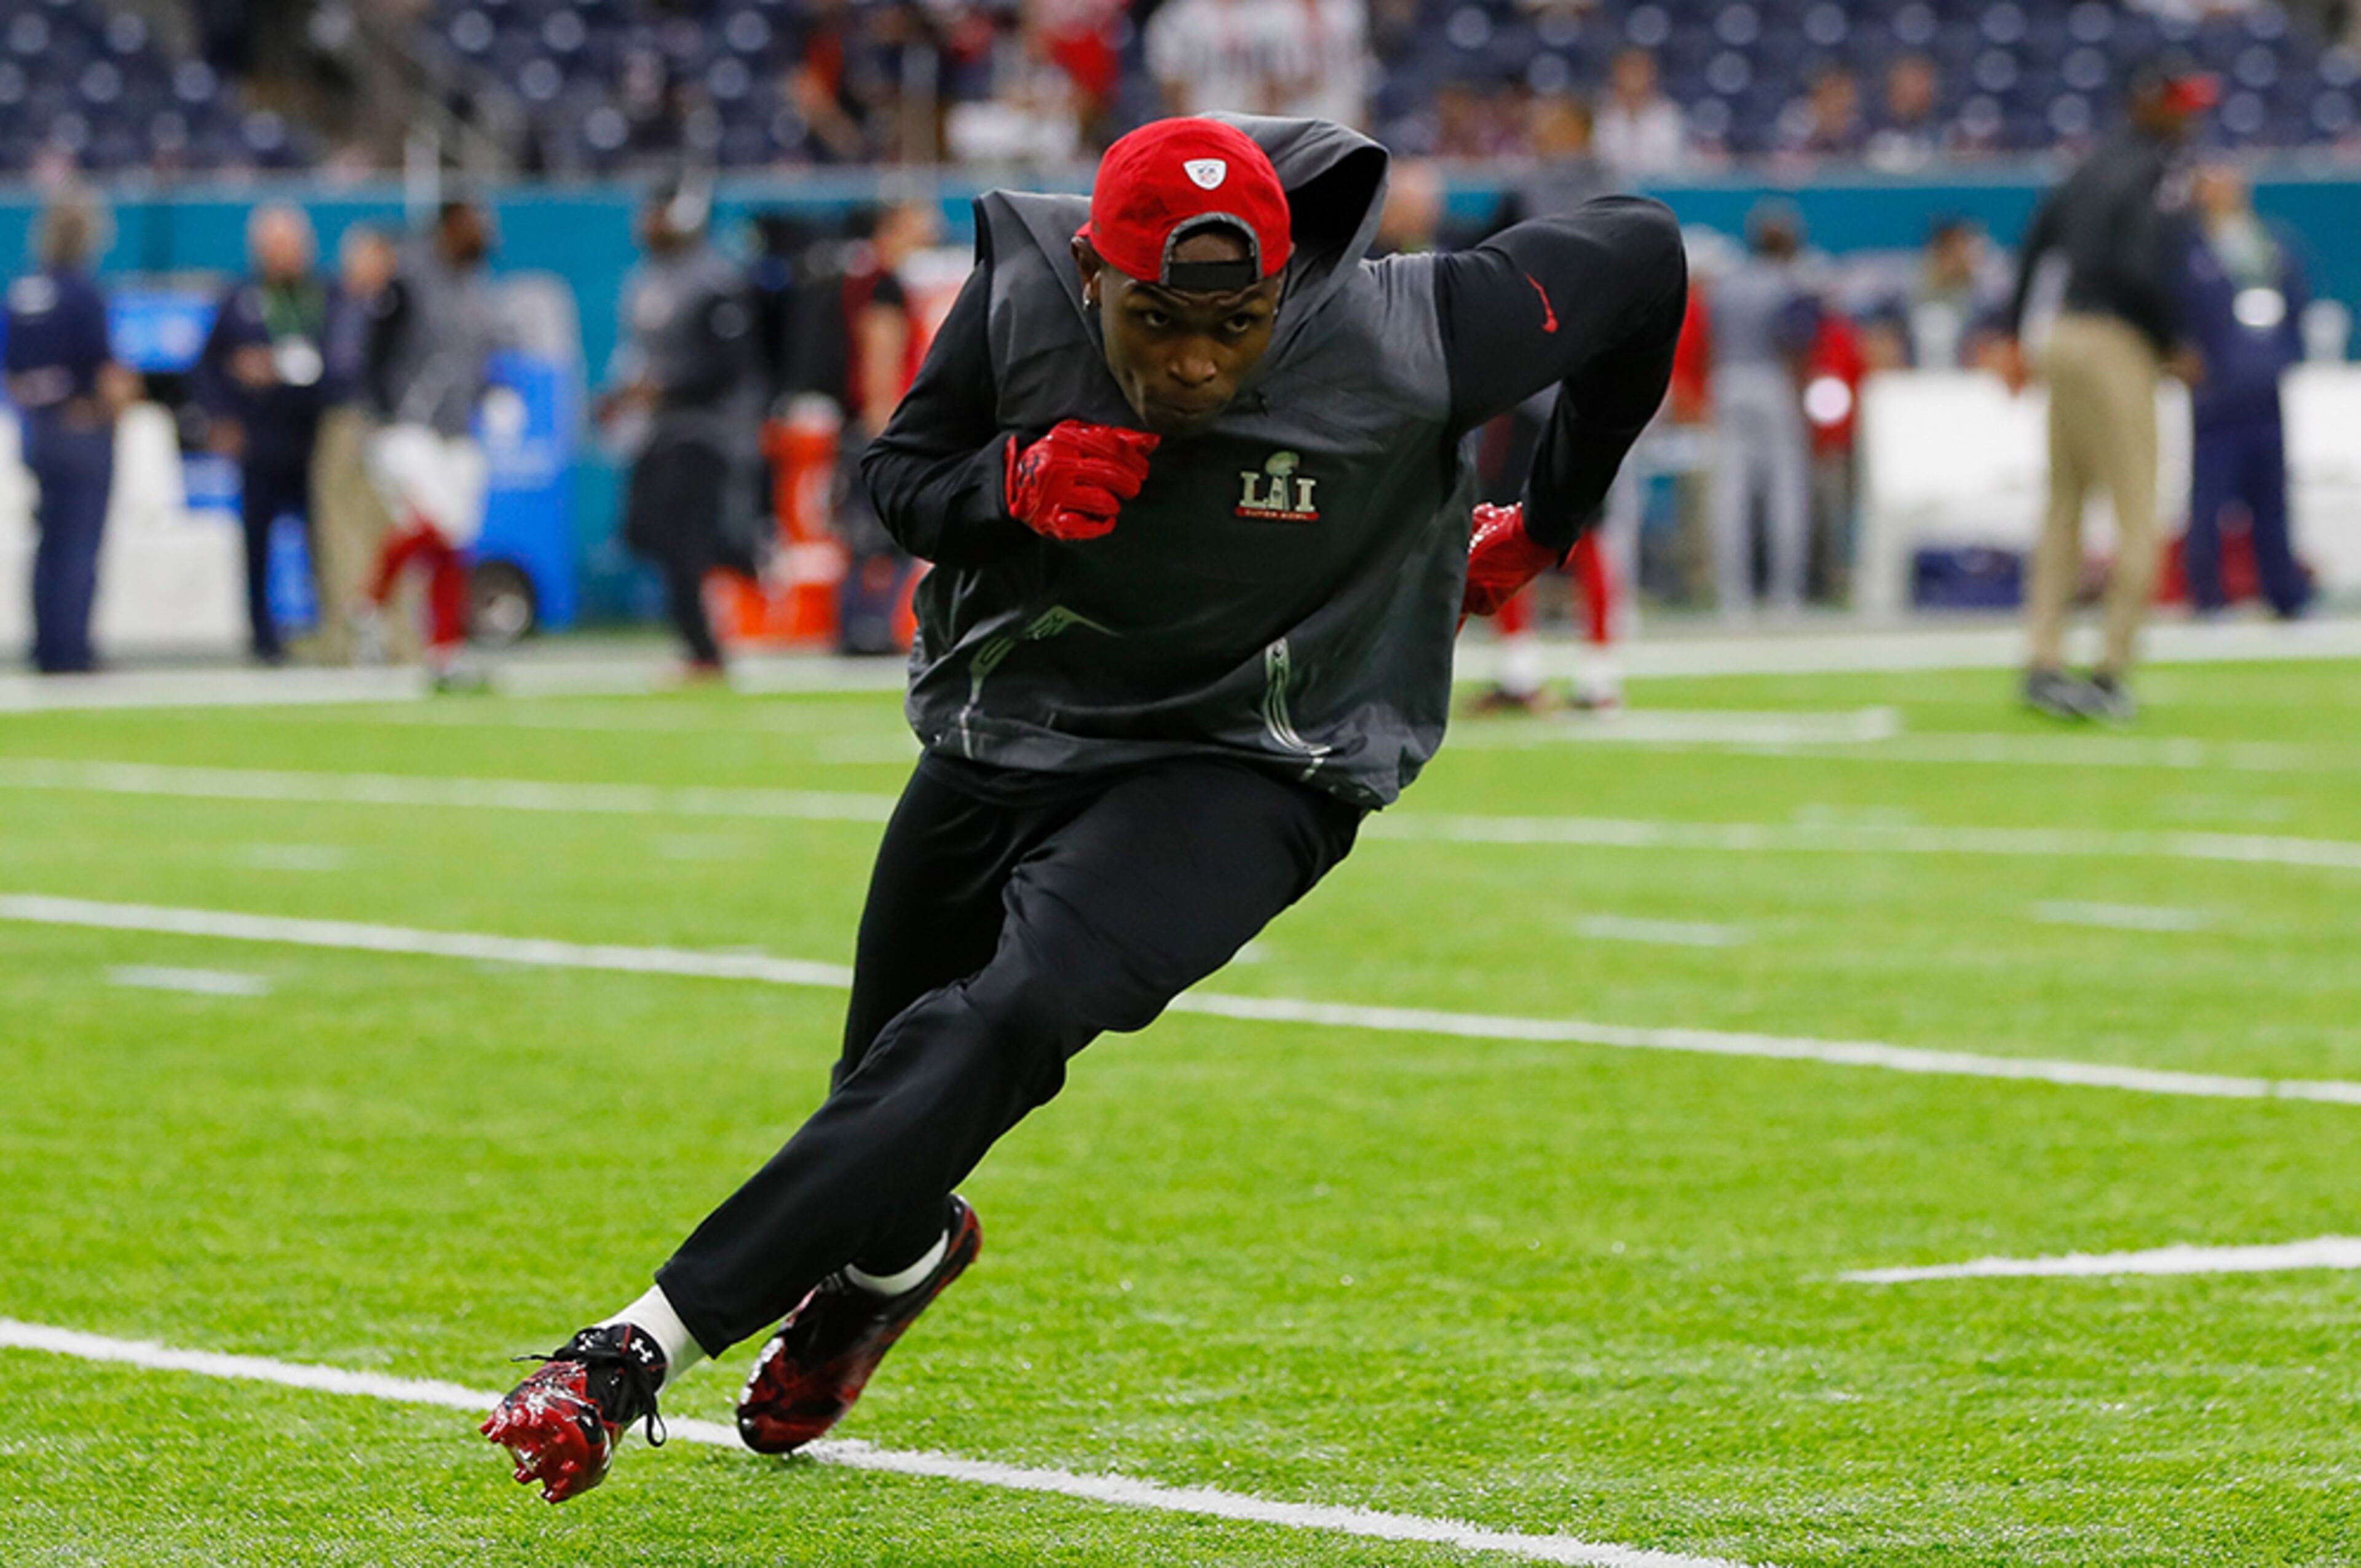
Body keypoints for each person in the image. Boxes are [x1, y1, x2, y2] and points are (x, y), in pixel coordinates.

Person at [481, 113, 1685, 1503]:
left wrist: (1546, 517)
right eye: (1157, 321)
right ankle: (896, 1261)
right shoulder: (1019, 301)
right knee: (885, 1108)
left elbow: (1642, 255)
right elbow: (899, 484)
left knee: (1009, 1014)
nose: (1193, 360)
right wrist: (1011, 484)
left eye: (1234, 325)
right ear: (1091, 279)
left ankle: (627, 1354)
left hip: (1256, 754)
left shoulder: (1419, 329)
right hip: (1018, 728)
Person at [1999, 57, 2215, 723]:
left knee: (2063, 505)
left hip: (2061, 333)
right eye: (2182, 105)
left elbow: (2037, 241)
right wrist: (2171, 338)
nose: (2192, 117)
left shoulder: (2089, 164)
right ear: (2155, 106)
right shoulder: (2162, 170)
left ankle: (2042, 657)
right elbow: (2138, 264)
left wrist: (2013, 332)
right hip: (2118, 343)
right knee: (2136, 510)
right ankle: (2111, 669)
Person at [599, 180, 760, 676]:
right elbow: (643, 359)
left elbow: (729, 367)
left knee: (681, 539)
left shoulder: (714, 281)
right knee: (641, 530)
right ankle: (739, 554)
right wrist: (623, 397)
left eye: (657, 212)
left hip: (707, 428)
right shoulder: (648, 279)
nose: (647, 222)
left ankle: (703, 650)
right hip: (659, 429)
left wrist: (663, 390)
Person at [358, 199, 504, 686]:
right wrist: (381, 412)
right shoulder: (410, 278)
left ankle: (444, 651)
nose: (483, 233)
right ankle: (370, 602)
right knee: (439, 525)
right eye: (474, 223)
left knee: (455, 541)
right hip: (410, 424)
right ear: (449, 226)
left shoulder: (477, 288)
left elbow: (479, 355)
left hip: (458, 427)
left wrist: (496, 391)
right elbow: (375, 346)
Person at [195, 205, 337, 665]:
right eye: (274, 248)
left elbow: (346, 360)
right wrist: (222, 417)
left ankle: (331, 629)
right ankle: (262, 636)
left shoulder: (326, 295)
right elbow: (206, 367)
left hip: (315, 437)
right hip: (259, 438)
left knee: (328, 538)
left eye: (290, 247)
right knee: (258, 542)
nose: (284, 257)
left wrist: (279, 366)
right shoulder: (239, 297)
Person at [4, 189, 134, 675]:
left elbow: (14, 373)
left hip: (38, 431)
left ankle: (45, 646)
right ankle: (73, 649)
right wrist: (118, 406)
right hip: (81, 429)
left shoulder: (21, 292)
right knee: (79, 543)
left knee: (48, 541)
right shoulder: (83, 293)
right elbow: (105, 372)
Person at [2177, 160, 2310, 619]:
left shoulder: (2269, 243)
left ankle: (2284, 592)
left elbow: (2296, 299)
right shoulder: (2189, 249)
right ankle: (2208, 595)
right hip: (2216, 393)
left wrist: (2286, 356)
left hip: (2264, 387)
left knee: (2271, 499)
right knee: (2210, 499)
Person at [832, 199, 938, 655]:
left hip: (854, 419)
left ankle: (857, 626)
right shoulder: (884, 285)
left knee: (863, 533)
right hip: (876, 423)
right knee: (884, 532)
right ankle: (867, 628)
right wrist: (888, 431)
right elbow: (881, 358)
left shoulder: (858, 278)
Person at [1707, 200, 1821, 620]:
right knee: (1786, 491)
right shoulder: (1793, 282)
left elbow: (1712, 338)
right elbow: (1795, 342)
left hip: (1730, 378)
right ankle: (1784, 593)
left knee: (1731, 493)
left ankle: (1732, 596)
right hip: (1772, 380)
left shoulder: (1729, 283)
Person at [309, 226, 406, 666]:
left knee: (393, 532)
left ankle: (404, 640)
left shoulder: (396, 304)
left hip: (382, 423)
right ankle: (345, 640)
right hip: (343, 420)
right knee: (340, 535)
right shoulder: (335, 300)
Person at [1595, 47, 1688, 179]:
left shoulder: (1668, 116)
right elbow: (1600, 160)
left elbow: (1670, 163)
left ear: (1651, 77)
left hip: (1656, 188)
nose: (1632, 80)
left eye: (1638, 73)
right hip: (1611, 190)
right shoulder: (1603, 115)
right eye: (1626, 73)